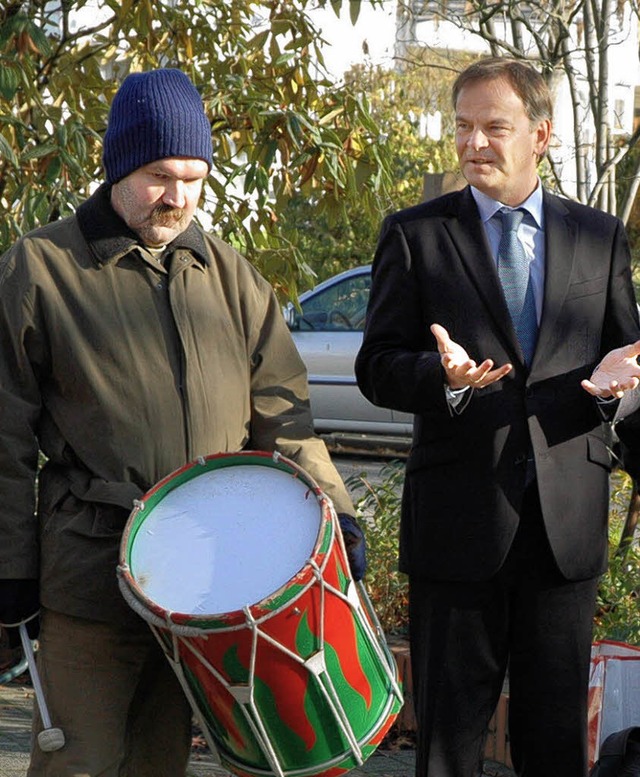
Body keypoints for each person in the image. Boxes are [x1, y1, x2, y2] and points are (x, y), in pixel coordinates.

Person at [0, 68, 365, 777]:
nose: (178, 197)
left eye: (195, 177)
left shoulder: (232, 277)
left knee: (159, 764)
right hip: (87, 576)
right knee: (78, 763)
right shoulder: (40, 270)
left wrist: (335, 517)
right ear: (117, 166)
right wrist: (9, 572)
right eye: (160, 175)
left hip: (204, 590)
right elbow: (3, 441)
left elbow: (286, 421)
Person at [355, 57, 640, 777]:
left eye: (494, 127)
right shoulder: (417, 235)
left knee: (552, 746)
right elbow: (377, 364)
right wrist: (442, 380)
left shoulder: (597, 237)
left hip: (564, 534)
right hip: (457, 527)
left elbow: (625, 360)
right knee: (449, 748)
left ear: (541, 134)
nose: (474, 143)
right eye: (463, 128)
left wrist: (617, 395)